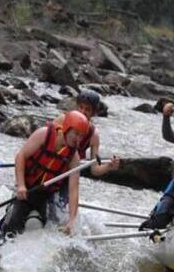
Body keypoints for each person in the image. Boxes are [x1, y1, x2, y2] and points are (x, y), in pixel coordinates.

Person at [0, 110, 90, 237]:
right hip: (26, 189)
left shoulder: (73, 157)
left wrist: (72, 219)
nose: (78, 139)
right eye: (76, 133)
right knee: (11, 226)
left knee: (36, 225)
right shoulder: (43, 134)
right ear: (66, 128)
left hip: (45, 196)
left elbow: (74, 189)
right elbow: (20, 156)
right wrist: (20, 185)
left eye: (81, 136)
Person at [49, 90, 120, 220]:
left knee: (57, 217)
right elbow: (45, 143)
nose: (82, 112)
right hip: (49, 171)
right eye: (80, 107)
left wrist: (109, 166)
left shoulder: (93, 135)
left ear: (93, 113)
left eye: (87, 109)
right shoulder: (62, 119)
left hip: (67, 178)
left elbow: (94, 169)